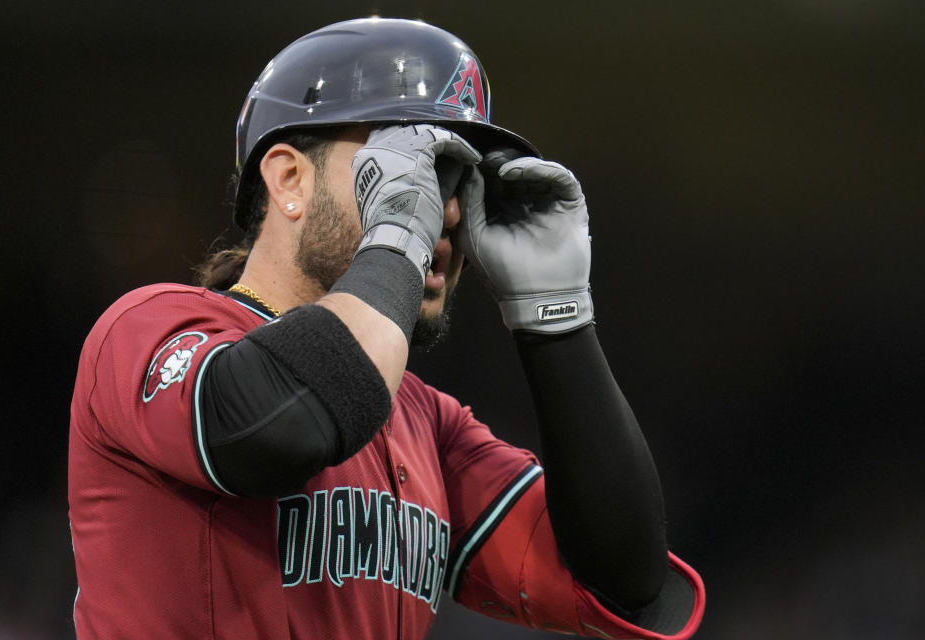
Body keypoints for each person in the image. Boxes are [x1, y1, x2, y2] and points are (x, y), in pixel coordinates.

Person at [68, 17, 705, 640]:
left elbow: (625, 580)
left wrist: (558, 316)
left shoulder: (427, 423)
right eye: (406, 164)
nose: (447, 210)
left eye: (457, 176)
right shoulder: (150, 326)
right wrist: (398, 235)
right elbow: (274, 426)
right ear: (289, 178)